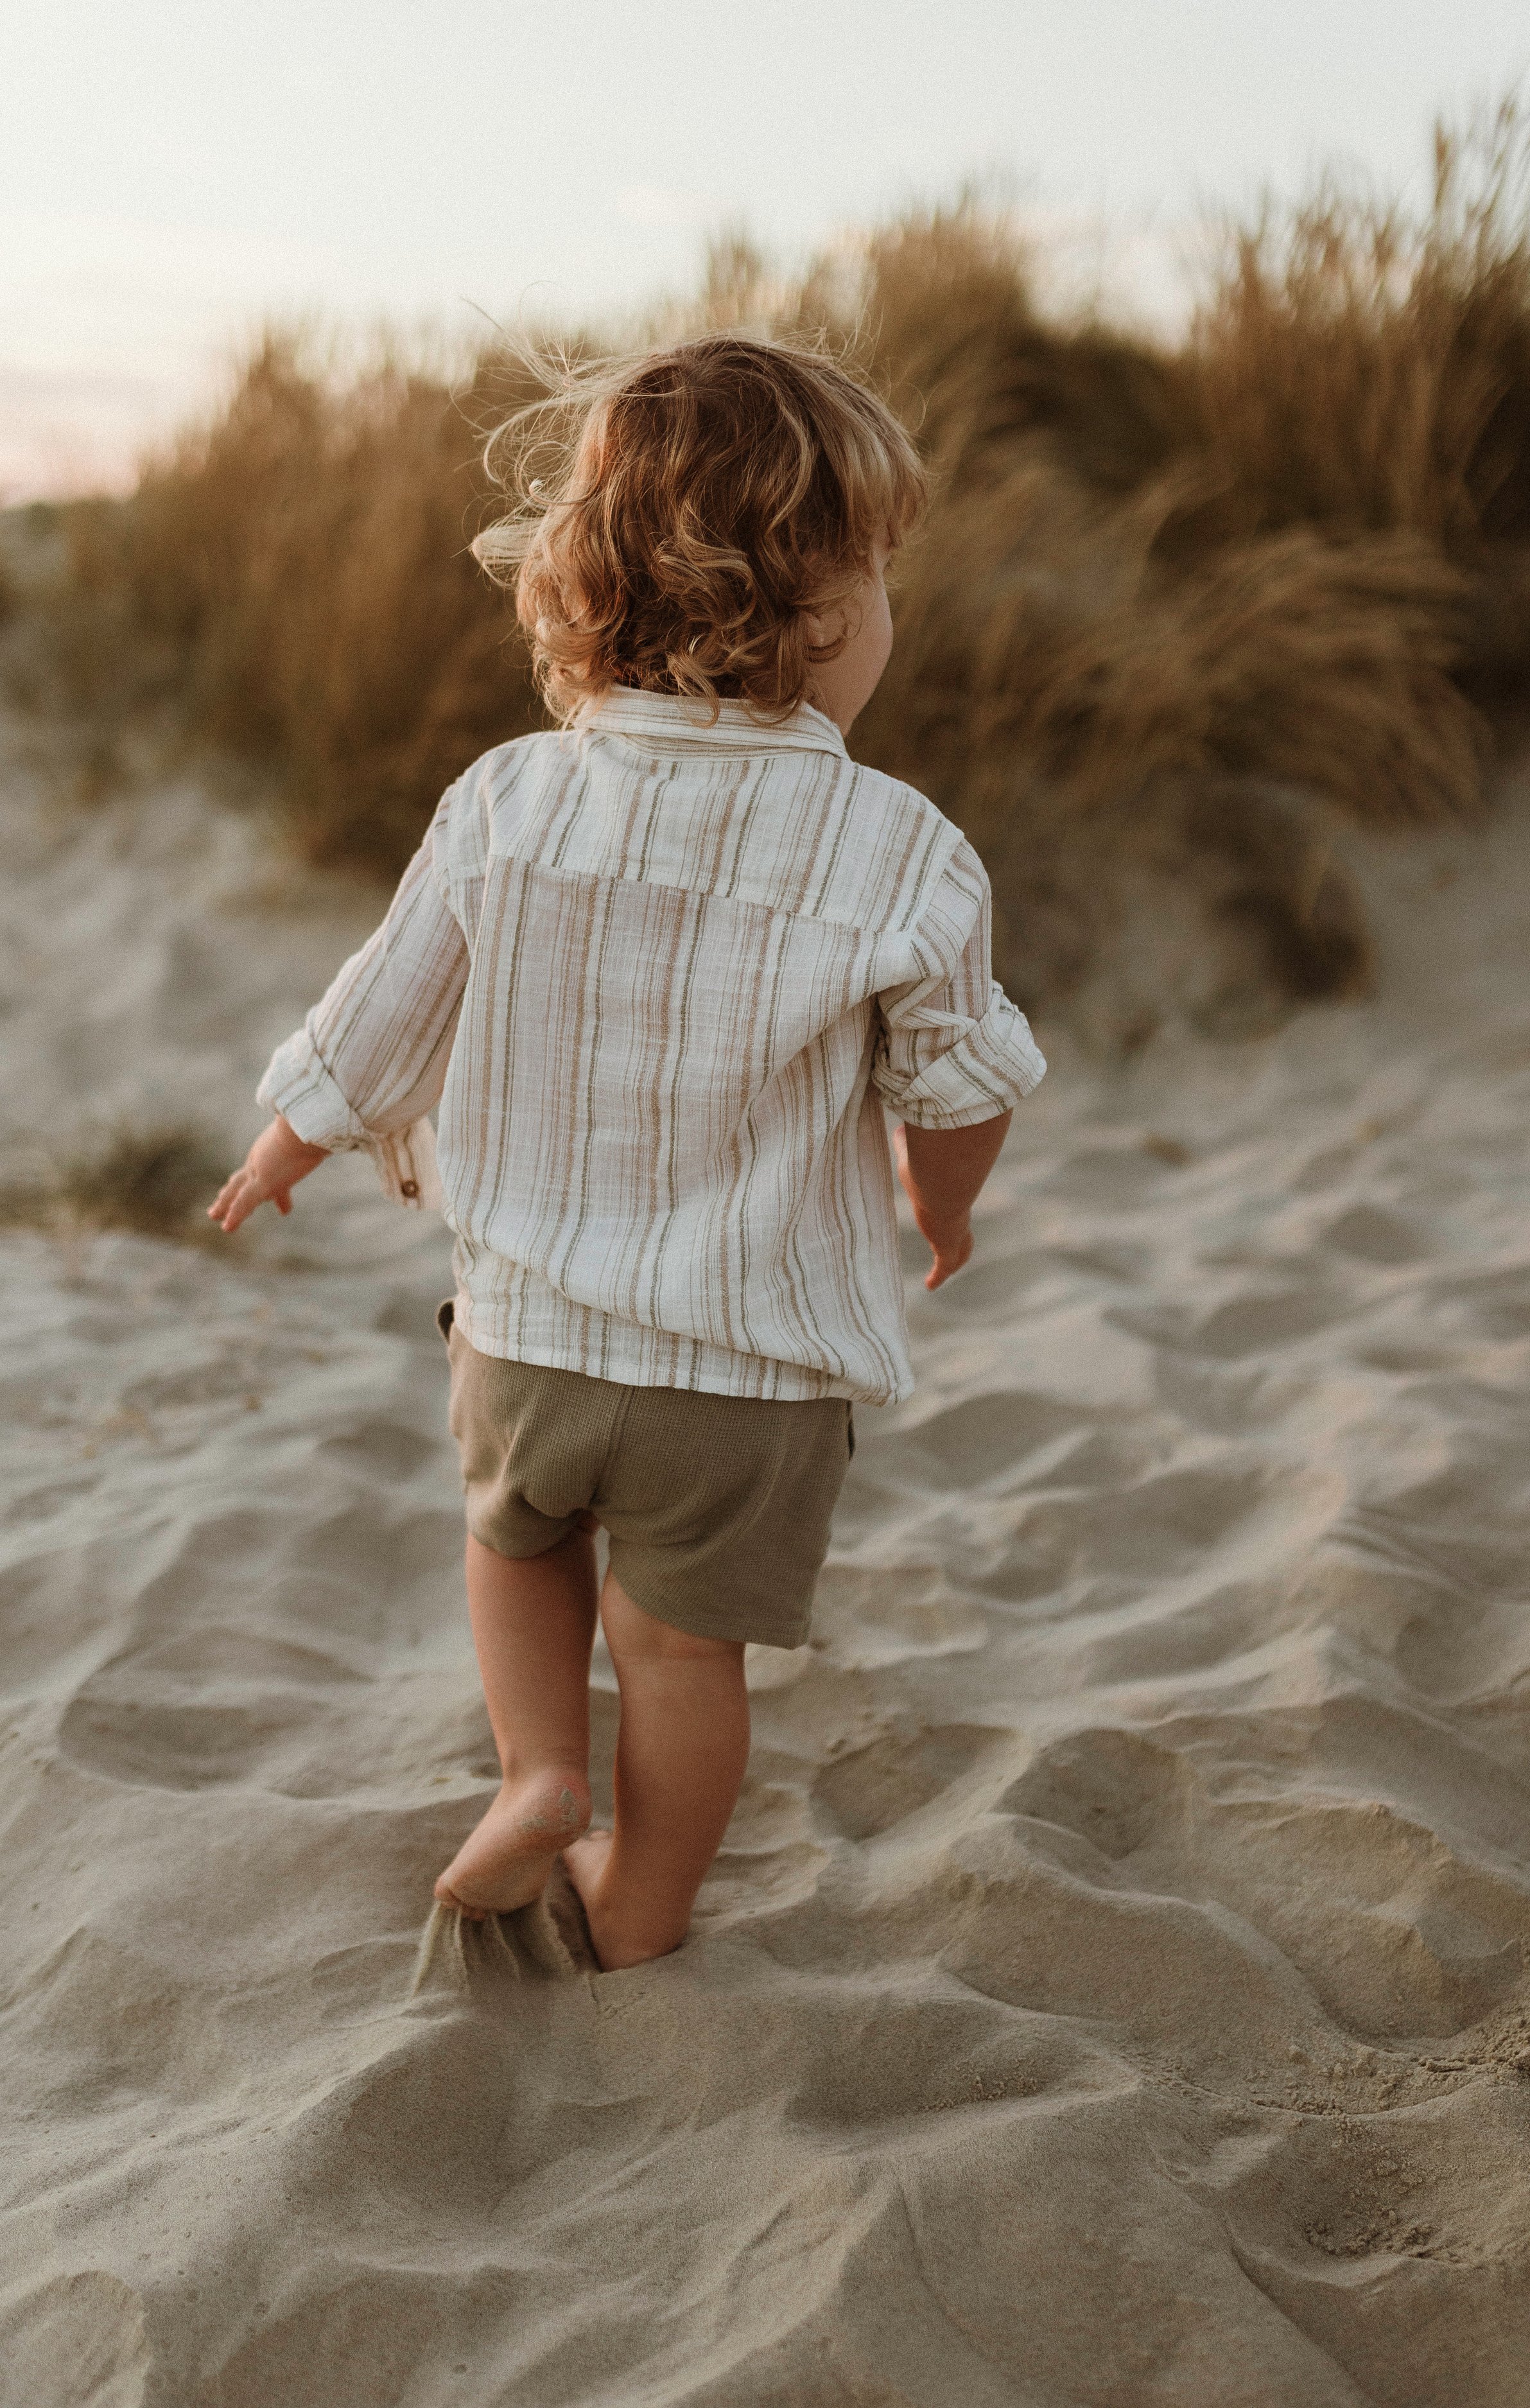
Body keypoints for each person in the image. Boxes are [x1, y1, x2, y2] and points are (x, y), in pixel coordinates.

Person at [209, 334, 1045, 1969]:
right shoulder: (900, 850)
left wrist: (289, 1137)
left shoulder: (512, 799)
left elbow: (390, 1005)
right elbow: (956, 1086)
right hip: (741, 1374)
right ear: (813, 611)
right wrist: (934, 1212)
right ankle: (642, 1901)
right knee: (679, 1660)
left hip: (525, 1337)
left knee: (512, 1544)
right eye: (876, 577)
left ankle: (532, 1776)